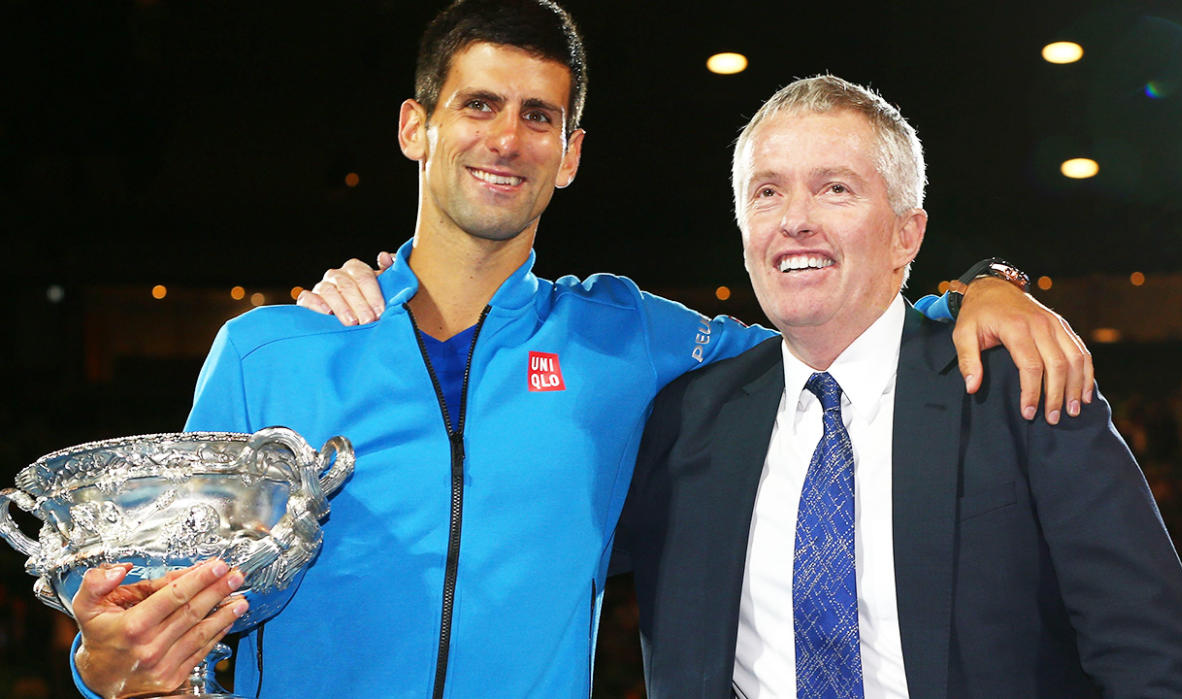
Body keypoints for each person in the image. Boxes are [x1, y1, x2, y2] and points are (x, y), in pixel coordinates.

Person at [66, 1, 1093, 697]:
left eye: (538, 116)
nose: (505, 139)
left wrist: (980, 287)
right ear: (415, 127)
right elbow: (149, 616)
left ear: (571, 152)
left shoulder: (627, 338)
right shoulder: (268, 352)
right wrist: (98, 664)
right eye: (477, 105)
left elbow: (833, 330)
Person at [614, 73, 1182, 698]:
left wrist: (992, 281)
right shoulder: (685, 419)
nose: (795, 219)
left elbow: (1153, 661)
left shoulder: (1017, 385)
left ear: (908, 234)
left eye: (835, 188)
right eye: (767, 192)